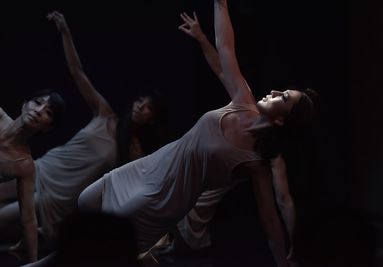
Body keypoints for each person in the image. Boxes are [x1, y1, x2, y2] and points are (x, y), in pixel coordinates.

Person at [78, 2, 317, 267]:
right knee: (85, 201)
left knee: (110, 238)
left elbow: (271, 220)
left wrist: (283, 261)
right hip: (151, 165)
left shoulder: (255, 162)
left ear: (282, 119)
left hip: (166, 196)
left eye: (282, 97)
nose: (273, 92)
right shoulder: (242, 99)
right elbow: (225, 49)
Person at [0, 10, 168, 247]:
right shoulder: (104, 113)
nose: (141, 107)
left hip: (58, 198)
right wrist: (65, 32)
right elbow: (77, 72)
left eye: (148, 107)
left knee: (5, 218)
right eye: (141, 100)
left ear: (152, 118)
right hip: (44, 168)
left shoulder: (133, 150)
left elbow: (132, 190)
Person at [0, 89, 65, 262]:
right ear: (24, 105)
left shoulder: (25, 165)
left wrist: (34, 262)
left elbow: (28, 220)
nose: (39, 110)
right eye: (37, 102)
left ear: (48, 127)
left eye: (48, 112)